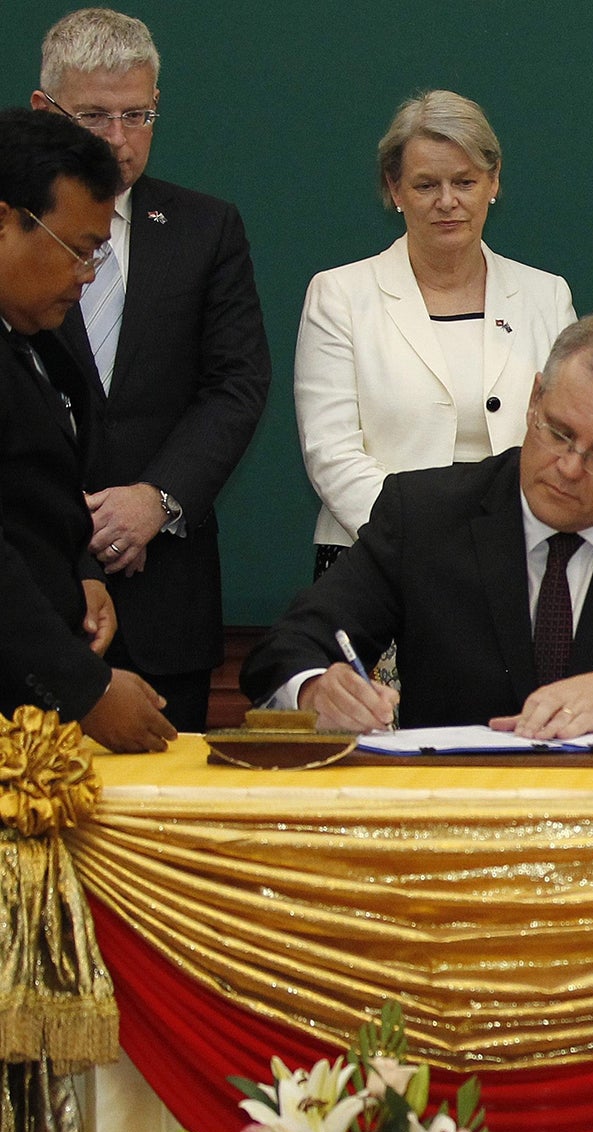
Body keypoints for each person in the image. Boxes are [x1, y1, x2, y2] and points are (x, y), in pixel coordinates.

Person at [242, 317, 593, 734]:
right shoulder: (424, 513)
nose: (569, 467)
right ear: (534, 399)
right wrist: (315, 690)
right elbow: (288, 647)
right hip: (454, 817)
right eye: (559, 432)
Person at [31, 9, 268, 734]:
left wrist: (155, 501)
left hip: (167, 591)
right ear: (45, 113)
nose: (118, 139)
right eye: (94, 115)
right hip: (34, 587)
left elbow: (235, 384)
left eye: (138, 114)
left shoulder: (206, 227)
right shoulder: (13, 234)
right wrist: (70, 523)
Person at [296, 89, 575, 577]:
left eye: (465, 181)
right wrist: (424, 538)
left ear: (494, 181)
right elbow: (332, 453)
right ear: (394, 189)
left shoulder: (546, 296)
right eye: (426, 185)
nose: (448, 202)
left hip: (519, 557)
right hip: (378, 558)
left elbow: (568, 437)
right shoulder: (339, 295)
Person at [0, 106, 171, 750]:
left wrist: (80, 573)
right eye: (77, 248)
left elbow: (29, 493)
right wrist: (85, 689)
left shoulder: (34, 338)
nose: (89, 275)